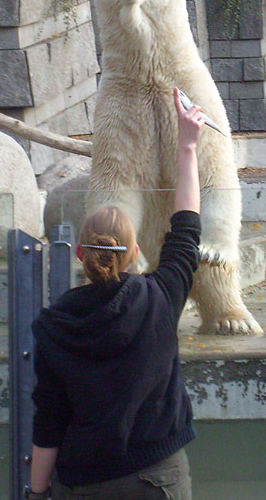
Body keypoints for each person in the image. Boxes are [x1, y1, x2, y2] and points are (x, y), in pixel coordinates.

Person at [25, 87, 205, 500]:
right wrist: (188, 145)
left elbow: (48, 421)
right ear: (136, 253)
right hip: (157, 476)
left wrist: (36, 494)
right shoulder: (160, 296)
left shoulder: (53, 326)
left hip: (85, 481)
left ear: (80, 254)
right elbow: (187, 227)